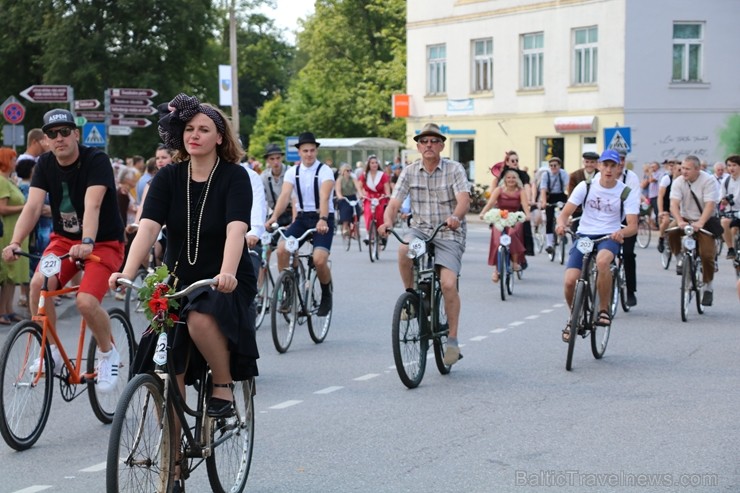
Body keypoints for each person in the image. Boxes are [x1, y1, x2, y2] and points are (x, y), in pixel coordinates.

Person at [110, 92, 258, 410]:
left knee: (200, 318)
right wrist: (127, 269)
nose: (194, 135)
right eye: (189, 128)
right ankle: (172, 454)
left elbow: (236, 230)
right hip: (176, 280)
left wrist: (227, 272)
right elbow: (148, 227)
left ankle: (222, 383)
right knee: (164, 365)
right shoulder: (167, 177)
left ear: (220, 137)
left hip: (223, 278)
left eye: (204, 129)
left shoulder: (235, 176)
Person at [2, 109, 125, 391]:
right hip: (64, 241)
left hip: (103, 242)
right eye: (52, 134)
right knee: (37, 287)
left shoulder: (96, 160)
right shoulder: (44, 164)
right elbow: (33, 207)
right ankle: (52, 354)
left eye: (65, 132)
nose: (59, 138)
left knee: (85, 302)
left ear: (76, 134)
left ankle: (107, 354)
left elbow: (93, 204)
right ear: (45, 140)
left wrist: (88, 242)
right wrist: (14, 242)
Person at [379, 123, 470, 366]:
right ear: (418, 146)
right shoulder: (409, 171)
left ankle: (451, 340)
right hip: (420, 229)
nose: (428, 145)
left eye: (433, 141)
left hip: (448, 231)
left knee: (448, 284)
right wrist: (387, 221)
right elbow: (395, 202)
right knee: (403, 248)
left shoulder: (454, 169)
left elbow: (463, 200)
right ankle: (411, 297)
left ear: (441, 145)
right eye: (423, 141)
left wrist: (455, 217)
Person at [556, 149, 639, 340]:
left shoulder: (626, 192)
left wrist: (621, 232)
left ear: (619, 168)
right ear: (599, 166)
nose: (608, 169)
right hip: (585, 236)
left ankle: (603, 309)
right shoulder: (585, 186)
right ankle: (573, 318)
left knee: (602, 262)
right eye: (605, 165)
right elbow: (564, 213)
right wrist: (561, 224)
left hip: (608, 236)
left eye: (613, 166)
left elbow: (633, 226)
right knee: (570, 281)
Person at [266, 132, 335, 316]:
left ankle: (326, 293)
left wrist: (322, 218)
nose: (309, 154)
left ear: (316, 150)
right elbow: (284, 196)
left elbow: (325, 196)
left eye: (312, 150)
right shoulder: (292, 172)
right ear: (299, 152)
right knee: (282, 249)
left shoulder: (325, 171)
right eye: (305, 151)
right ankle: (288, 290)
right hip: (303, 218)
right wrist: (273, 217)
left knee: (319, 260)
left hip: (323, 218)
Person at [666, 155, 720, 306]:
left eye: (687, 169)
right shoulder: (678, 182)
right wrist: (680, 220)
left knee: (707, 255)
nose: (683, 171)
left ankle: (708, 286)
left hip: (705, 220)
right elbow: (674, 204)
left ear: (697, 169)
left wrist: (701, 222)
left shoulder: (708, 180)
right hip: (685, 218)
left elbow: (710, 204)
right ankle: (679, 259)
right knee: (671, 230)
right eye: (682, 168)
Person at [479, 167, 531, 282]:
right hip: (500, 216)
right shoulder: (499, 190)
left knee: (512, 234)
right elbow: (491, 203)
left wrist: (527, 215)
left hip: (514, 217)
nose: (511, 180)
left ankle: (515, 262)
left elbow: (524, 204)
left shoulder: (520, 191)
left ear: (517, 179)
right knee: (498, 241)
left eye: (513, 178)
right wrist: (483, 213)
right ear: (505, 179)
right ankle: (497, 270)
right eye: (508, 177)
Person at [0, 148, 28, 325]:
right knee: (7, 272)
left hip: (15, 229)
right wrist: (25, 209)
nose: (16, 162)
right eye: (13, 158)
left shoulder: (9, 180)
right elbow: (1, 208)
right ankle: (2, 310)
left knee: (14, 273)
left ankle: (9, 309)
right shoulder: (2, 181)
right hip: (8, 230)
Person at [540, 156, 570, 253]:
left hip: (561, 195)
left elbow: (568, 187)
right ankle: (549, 243)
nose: (553, 167)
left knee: (563, 215)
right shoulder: (546, 175)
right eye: (551, 165)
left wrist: (569, 200)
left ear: (559, 166)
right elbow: (543, 189)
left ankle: (562, 232)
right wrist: (544, 202)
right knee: (549, 219)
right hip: (550, 196)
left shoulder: (563, 174)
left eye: (555, 165)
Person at [360, 155, 391, 244]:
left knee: (380, 215)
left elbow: (386, 187)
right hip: (369, 198)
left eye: (376, 163)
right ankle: (368, 233)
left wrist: (388, 195)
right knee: (368, 213)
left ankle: (382, 233)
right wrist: (362, 194)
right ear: (368, 164)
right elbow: (359, 185)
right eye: (372, 163)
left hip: (380, 198)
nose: (374, 164)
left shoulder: (383, 175)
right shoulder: (365, 175)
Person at [261, 143, 292, 227]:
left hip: (292, 212)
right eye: (272, 159)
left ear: (282, 158)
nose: (276, 162)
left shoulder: (291, 172)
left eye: (278, 158)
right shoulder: (264, 177)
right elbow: (262, 201)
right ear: (267, 160)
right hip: (275, 214)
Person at [657, 160, 682, 252]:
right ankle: (661, 237)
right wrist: (661, 211)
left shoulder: (684, 180)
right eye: (679, 170)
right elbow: (660, 196)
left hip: (679, 205)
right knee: (666, 221)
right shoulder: (667, 179)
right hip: (667, 204)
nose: (681, 172)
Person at [719, 155, 740, 259]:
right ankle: (730, 249)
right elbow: (721, 199)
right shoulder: (726, 181)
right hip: (732, 212)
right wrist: (724, 201)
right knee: (724, 222)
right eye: (729, 165)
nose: (731, 168)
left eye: (734, 165)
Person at [334, 162, 363, 237]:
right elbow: (338, 190)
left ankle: (356, 227)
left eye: (350, 170)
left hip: (352, 196)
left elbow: (358, 187)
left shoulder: (353, 179)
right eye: (347, 170)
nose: (349, 172)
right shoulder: (339, 180)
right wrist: (340, 196)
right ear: (343, 171)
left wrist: (360, 194)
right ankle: (344, 227)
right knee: (345, 210)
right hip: (344, 198)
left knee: (357, 210)